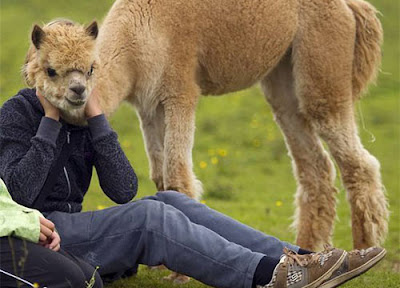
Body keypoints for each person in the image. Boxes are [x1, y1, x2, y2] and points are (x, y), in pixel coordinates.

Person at [0, 88, 386, 288]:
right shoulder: (16, 115)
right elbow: (19, 196)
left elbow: (122, 188)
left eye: (83, 73)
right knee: (151, 219)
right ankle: (267, 276)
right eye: (60, 73)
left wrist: (98, 121)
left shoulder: (83, 114)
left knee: (169, 200)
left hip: (70, 228)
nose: (74, 86)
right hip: (35, 234)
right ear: (39, 71)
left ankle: (300, 259)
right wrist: (49, 123)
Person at [0, 179, 103, 288]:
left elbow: (121, 193)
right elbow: (22, 193)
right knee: (69, 279)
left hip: (21, 224)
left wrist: (31, 217)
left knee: (92, 280)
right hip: (23, 223)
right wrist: (25, 224)